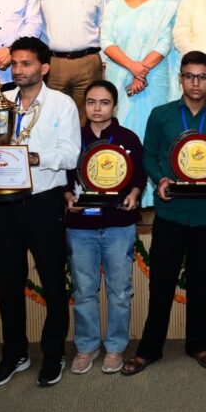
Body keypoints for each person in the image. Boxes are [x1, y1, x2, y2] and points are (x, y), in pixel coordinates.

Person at [0, 37, 79, 388]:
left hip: (43, 203)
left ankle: (53, 354)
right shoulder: (0, 102)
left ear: (44, 68)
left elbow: (70, 156)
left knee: (53, 283)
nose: (18, 70)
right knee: (8, 283)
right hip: (3, 204)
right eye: (15, 63)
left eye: (26, 63)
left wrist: (32, 157)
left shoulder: (61, 104)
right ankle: (14, 354)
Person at [123, 51, 206, 375]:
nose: (196, 82)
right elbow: (148, 155)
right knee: (161, 285)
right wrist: (161, 179)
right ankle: (149, 348)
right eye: (190, 76)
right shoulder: (161, 115)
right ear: (180, 78)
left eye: (202, 76)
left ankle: (198, 345)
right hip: (170, 213)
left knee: (200, 284)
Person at [64, 80, 145, 376]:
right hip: (81, 225)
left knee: (119, 291)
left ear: (115, 106)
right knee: (84, 289)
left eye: (104, 102)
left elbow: (139, 175)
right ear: (84, 105)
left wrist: (134, 194)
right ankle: (86, 346)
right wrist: (67, 197)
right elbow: (63, 175)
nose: (97, 108)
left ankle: (115, 347)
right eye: (91, 102)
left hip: (118, 223)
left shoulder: (127, 138)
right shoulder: (73, 137)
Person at [101, 0, 179, 206]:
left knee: (153, 133)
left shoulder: (164, 7)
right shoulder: (113, 6)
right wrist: (134, 68)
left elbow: (165, 42)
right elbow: (106, 42)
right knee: (125, 133)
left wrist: (142, 71)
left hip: (154, 80)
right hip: (121, 79)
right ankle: (125, 190)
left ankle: (154, 195)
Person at [36, 0, 106, 123]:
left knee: (88, 119)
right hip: (53, 64)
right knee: (53, 118)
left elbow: (104, 27)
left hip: (88, 63)